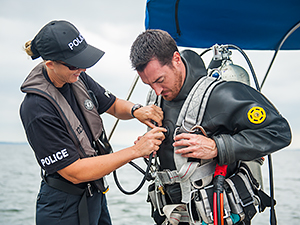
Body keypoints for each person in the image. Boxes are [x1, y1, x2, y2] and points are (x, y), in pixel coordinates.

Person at [129, 29, 291, 225]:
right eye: (148, 84)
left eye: (160, 80)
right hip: (172, 215)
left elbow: (279, 132)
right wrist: (150, 146)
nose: (157, 90)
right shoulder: (156, 97)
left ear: (176, 59)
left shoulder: (222, 95)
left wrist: (217, 147)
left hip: (218, 216)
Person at [19, 20, 166, 225]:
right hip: (63, 206)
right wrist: (137, 150)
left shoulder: (76, 77)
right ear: (50, 63)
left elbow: (113, 105)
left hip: (94, 196)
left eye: (82, 60)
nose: (82, 68)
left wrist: (137, 111)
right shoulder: (36, 109)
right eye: (74, 64)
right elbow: (74, 172)